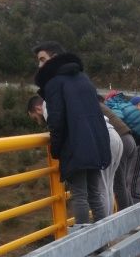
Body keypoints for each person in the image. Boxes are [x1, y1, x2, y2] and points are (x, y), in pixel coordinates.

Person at [33, 42, 112, 224]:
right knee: (94, 193)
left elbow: (56, 120)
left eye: (42, 59)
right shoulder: (83, 78)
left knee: (80, 195)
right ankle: (102, 244)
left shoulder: (54, 83)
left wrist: (56, 148)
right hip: (96, 143)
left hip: (75, 145)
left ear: (54, 58)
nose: (39, 65)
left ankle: (84, 248)